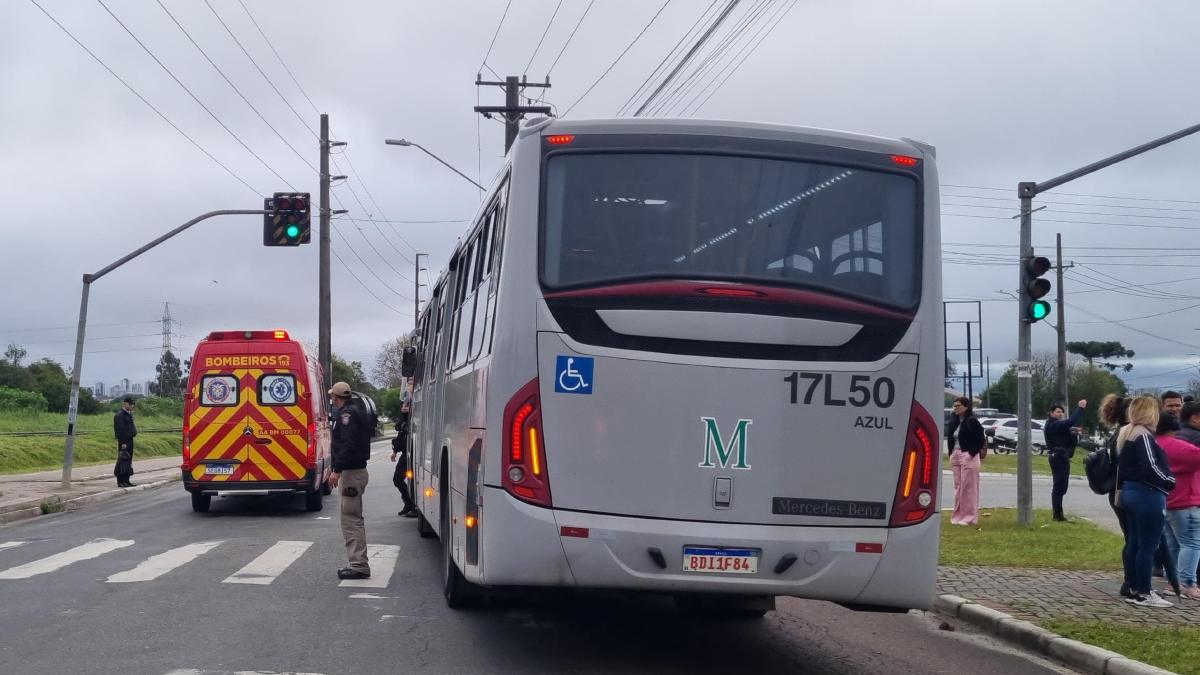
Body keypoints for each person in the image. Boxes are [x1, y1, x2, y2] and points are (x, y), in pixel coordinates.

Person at [1115, 395, 1176, 608]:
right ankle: (1144, 591)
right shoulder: (1144, 436)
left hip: (1131, 492)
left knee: (1135, 542)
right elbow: (1150, 466)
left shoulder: (1128, 433)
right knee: (1148, 545)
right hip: (1147, 494)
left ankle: (1133, 586)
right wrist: (1169, 481)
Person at [329, 381, 373, 580]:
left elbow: (347, 444)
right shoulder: (357, 410)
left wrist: (336, 470)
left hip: (351, 473)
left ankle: (358, 565)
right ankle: (357, 563)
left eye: (332, 398)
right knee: (352, 516)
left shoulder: (347, 415)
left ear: (336, 398)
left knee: (351, 519)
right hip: (357, 471)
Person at [1157, 413, 1200, 599]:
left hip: (1166, 499)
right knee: (1191, 542)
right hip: (1185, 500)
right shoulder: (1179, 447)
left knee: (1173, 545)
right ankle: (1187, 583)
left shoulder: (1154, 444)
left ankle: (1172, 582)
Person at [945, 397, 985, 526]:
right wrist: (951, 453)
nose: (955, 408)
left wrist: (971, 453)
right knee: (958, 487)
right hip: (956, 454)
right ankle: (957, 516)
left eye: (958, 405)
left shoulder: (972, 421)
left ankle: (969, 517)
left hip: (968, 454)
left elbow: (980, 439)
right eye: (954, 406)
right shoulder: (954, 421)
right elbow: (951, 438)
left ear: (966, 407)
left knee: (969, 487)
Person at [1044, 399, 1087, 522]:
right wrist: (1080, 408)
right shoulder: (1052, 425)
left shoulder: (1059, 426)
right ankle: (1057, 514)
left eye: (1062, 412)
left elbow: (1069, 436)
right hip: (1057, 457)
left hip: (1063, 457)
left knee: (1063, 486)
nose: (1060, 414)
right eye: (1058, 412)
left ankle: (1059, 513)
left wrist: (1074, 434)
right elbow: (1070, 421)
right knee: (1059, 485)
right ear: (1051, 413)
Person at [390, 400, 416, 518]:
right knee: (397, 479)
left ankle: (412, 505)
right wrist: (394, 452)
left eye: (407, 405)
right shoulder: (402, 419)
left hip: (414, 453)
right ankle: (408, 504)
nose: (404, 407)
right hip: (406, 453)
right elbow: (400, 437)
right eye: (403, 405)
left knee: (412, 481)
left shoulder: (415, 418)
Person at [113, 396, 137, 487]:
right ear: (126, 404)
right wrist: (123, 443)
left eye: (133, 404)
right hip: (124, 441)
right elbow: (120, 430)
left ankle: (127, 480)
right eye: (131, 404)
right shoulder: (120, 415)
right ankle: (120, 481)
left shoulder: (128, 414)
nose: (132, 406)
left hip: (130, 440)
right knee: (122, 461)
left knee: (128, 461)